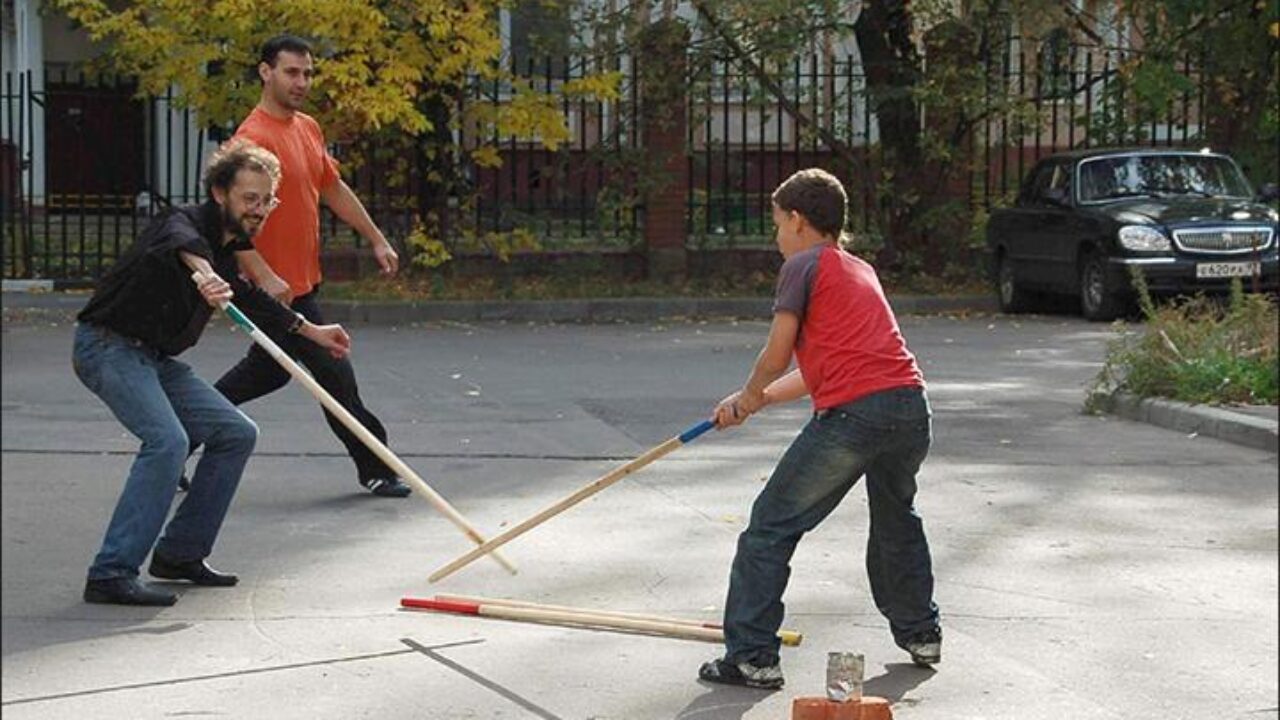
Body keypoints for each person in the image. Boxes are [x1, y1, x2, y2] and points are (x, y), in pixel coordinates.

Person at [74, 140, 351, 605]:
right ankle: (110, 572)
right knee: (168, 442)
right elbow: (184, 246)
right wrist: (204, 274)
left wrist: (310, 331)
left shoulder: (230, 247)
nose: (258, 210)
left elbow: (252, 300)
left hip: (155, 358)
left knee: (234, 432)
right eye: (249, 198)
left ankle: (180, 554)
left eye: (267, 200)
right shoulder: (180, 221)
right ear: (221, 193)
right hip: (108, 346)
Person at [697, 168, 941, 690]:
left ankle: (751, 657)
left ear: (798, 220)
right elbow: (819, 370)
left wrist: (748, 391)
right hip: (908, 407)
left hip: (858, 415)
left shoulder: (802, 266)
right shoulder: (858, 270)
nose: (776, 236)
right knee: (897, 517)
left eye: (777, 223)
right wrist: (753, 403)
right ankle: (921, 632)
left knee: (769, 526)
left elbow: (778, 351)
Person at [205, 33, 410, 497]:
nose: (301, 82)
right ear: (265, 72)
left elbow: (332, 188)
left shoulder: (308, 128)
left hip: (300, 283)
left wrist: (376, 238)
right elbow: (227, 222)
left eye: (307, 73)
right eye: (291, 72)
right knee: (334, 370)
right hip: (267, 288)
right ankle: (377, 465)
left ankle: (182, 428)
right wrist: (263, 273)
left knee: (270, 371)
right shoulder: (250, 140)